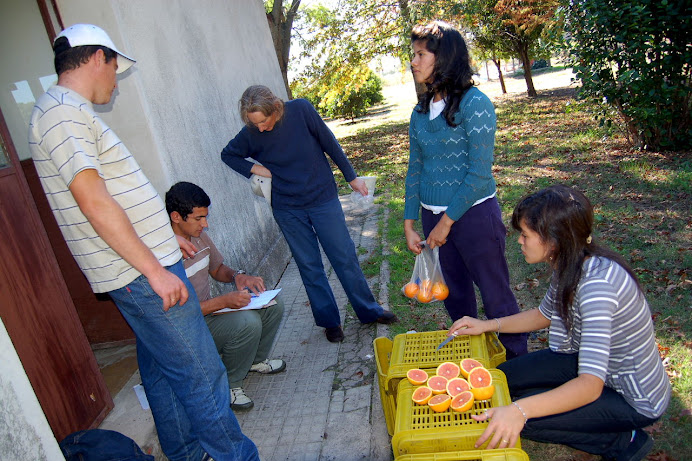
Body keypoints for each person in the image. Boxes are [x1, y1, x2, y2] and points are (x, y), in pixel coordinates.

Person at [28, 24, 258, 461]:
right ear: (98, 57)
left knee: (163, 371)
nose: (116, 81)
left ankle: (189, 454)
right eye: (115, 67)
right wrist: (154, 268)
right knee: (202, 372)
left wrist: (167, 242)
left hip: (142, 265)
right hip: (139, 273)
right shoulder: (62, 112)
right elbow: (93, 200)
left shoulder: (66, 111)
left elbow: (117, 196)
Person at [447, 185, 671, 461]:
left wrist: (520, 411)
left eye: (526, 235)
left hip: (631, 397)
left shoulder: (597, 290)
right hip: (587, 363)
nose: (520, 241)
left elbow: (589, 386)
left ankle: (623, 441)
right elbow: (544, 315)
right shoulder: (570, 262)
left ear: (554, 240)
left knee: (518, 415)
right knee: (502, 380)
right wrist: (488, 324)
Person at [220, 85, 397, 343]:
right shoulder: (251, 133)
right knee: (310, 266)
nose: (259, 128)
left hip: (322, 198)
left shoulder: (301, 110)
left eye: (263, 121)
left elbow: (329, 142)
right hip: (287, 208)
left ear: (276, 109)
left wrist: (351, 177)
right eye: (253, 123)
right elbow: (228, 155)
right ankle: (329, 322)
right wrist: (256, 169)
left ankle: (369, 311)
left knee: (344, 256)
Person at [403, 20, 527, 359]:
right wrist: (409, 223)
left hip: (474, 218)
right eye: (413, 54)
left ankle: (520, 364)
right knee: (454, 295)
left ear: (444, 58)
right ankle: (474, 361)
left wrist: (447, 223)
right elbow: (415, 169)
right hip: (433, 221)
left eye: (420, 54)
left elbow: (478, 175)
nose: (413, 61)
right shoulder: (419, 112)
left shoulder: (476, 104)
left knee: (495, 295)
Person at [166, 181, 286, 411]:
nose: (205, 224)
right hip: (188, 325)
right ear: (176, 217)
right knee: (247, 323)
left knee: (272, 303)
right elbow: (176, 311)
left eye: (205, 217)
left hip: (210, 311)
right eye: (199, 218)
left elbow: (216, 269)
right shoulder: (165, 253)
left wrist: (238, 276)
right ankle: (230, 386)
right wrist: (223, 302)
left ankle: (255, 360)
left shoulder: (199, 237)